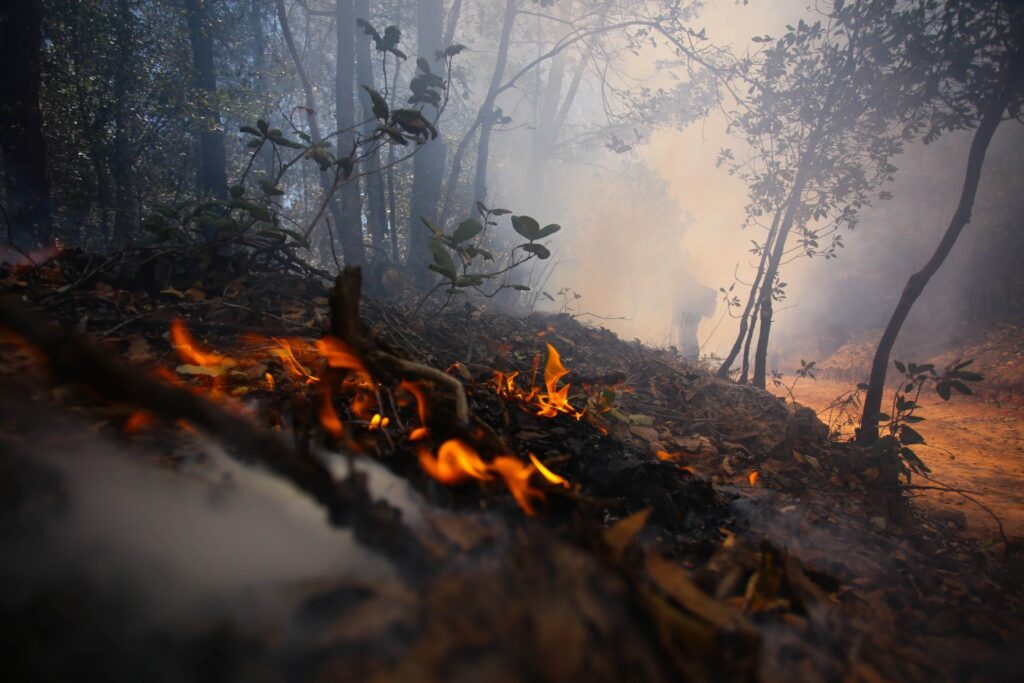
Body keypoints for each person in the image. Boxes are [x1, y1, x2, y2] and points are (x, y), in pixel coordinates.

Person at [672, 273, 716, 361]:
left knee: (688, 338)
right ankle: (687, 358)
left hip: (691, 318)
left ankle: (691, 359)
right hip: (686, 319)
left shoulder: (692, 289)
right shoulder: (685, 289)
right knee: (684, 338)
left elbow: (687, 304)